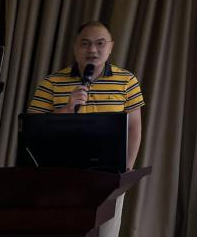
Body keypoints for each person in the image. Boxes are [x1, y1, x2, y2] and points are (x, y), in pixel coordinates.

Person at [28, 21, 145, 237]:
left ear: (110, 47)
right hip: (62, 174)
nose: (92, 50)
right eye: (85, 43)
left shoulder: (127, 81)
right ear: (75, 47)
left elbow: (134, 127)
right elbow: (33, 128)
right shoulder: (52, 82)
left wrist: (127, 169)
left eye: (100, 43)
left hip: (110, 174)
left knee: (105, 233)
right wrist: (67, 109)